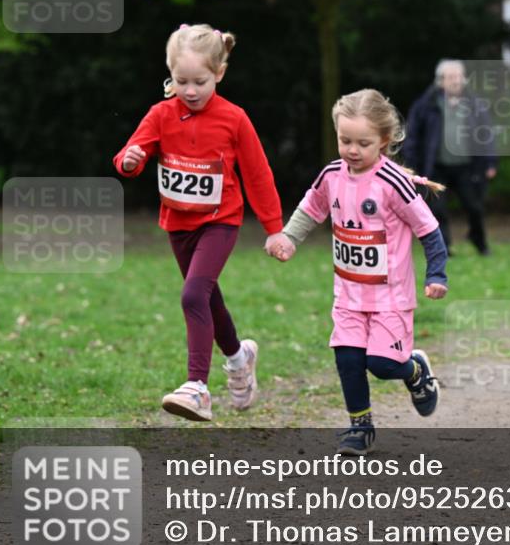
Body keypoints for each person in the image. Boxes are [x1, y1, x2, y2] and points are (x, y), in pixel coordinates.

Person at [113, 24, 284, 421]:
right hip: (178, 223)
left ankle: (197, 387)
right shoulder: (160, 114)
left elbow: (258, 175)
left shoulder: (234, 118)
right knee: (207, 297)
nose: (190, 91)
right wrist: (130, 161)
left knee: (193, 295)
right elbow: (127, 154)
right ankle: (240, 358)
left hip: (220, 221)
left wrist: (274, 227)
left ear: (219, 74)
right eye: (181, 81)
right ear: (170, 75)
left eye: (200, 82)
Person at [267, 89, 449, 454]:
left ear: (383, 141)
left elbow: (428, 229)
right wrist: (289, 237)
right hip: (349, 295)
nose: (351, 149)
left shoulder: (392, 182)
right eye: (344, 140)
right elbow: (312, 208)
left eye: (362, 143)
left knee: (382, 363)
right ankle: (360, 427)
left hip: (391, 297)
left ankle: (414, 371)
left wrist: (436, 274)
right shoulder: (332, 175)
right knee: (348, 358)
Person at [402, 59, 496, 255]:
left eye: (459, 77)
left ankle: (479, 240)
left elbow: (486, 135)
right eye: (451, 77)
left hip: (467, 167)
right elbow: (412, 138)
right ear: (441, 81)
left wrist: (489, 161)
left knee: (475, 207)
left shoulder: (475, 105)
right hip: (435, 167)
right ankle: (444, 246)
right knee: (437, 209)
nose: (456, 81)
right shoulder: (425, 105)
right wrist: (411, 166)